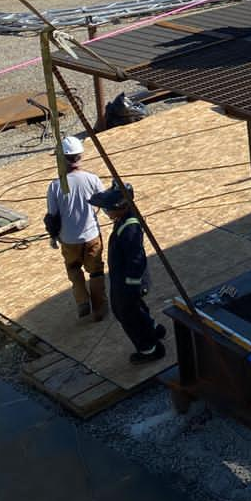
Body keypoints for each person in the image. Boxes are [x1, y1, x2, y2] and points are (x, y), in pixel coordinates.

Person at [91, 183, 166, 363]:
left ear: (121, 207)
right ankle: (153, 328)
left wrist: (131, 285)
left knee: (126, 313)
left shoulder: (130, 228)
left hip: (128, 281)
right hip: (124, 278)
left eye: (108, 209)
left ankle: (149, 349)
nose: (106, 213)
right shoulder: (123, 220)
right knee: (136, 309)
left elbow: (136, 259)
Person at [44, 135, 107, 322]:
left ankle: (82, 301)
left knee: (74, 269)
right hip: (91, 236)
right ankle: (100, 309)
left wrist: (53, 237)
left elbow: (52, 217)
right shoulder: (92, 179)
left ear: (62, 159)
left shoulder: (55, 187)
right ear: (80, 156)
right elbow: (105, 204)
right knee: (95, 271)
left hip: (69, 239)